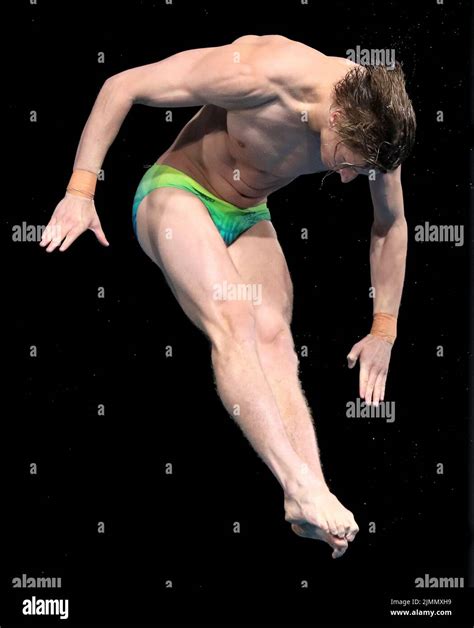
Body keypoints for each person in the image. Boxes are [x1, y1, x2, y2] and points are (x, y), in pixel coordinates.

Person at [40, 34, 416, 559]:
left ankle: (306, 493)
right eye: (346, 161)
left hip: (248, 214)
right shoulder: (260, 73)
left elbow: (390, 224)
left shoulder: (377, 127)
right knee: (234, 319)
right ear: (333, 119)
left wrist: (384, 329)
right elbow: (120, 86)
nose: (350, 178)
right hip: (176, 192)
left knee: (275, 338)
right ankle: (301, 485)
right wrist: (80, 192)